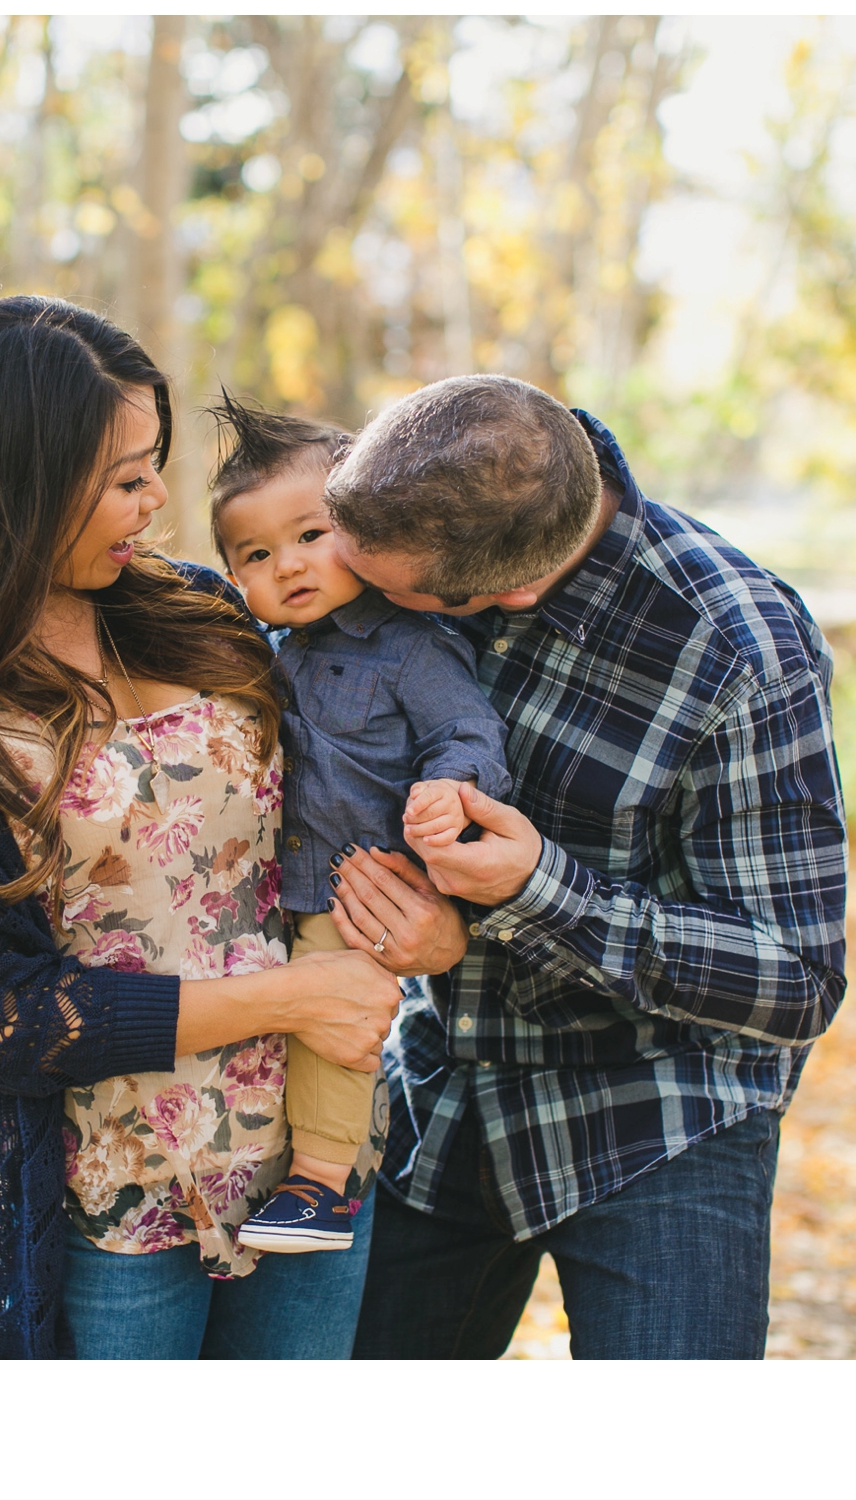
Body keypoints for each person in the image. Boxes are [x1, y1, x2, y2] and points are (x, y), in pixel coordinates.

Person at [0, 297, 401, 1359]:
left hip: (313, 1158)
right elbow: (0, 1018)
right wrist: (290, 995)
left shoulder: (205, 610)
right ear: (15, 485)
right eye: (125, 478)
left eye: (153, 465)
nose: (156, 499)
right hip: (117, 1194)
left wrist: (426, 928)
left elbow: (352, 789)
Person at [317, 375, 849, 1359]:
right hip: (444, 1088)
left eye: (386, 601)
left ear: (500, 596)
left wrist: (533, 892)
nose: (351, 608)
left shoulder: (739, 651)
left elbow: (796, 980)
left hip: (654, 1114)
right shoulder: (446, 489)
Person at [203, 396, 511, 1254]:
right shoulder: (261, 648)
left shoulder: (410, 645)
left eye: (310, 535)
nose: (290, 566)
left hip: (361, 887)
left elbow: (469, 733)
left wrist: (451, 792)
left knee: (333, 1024)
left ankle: (321, 1186)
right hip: (268, 890)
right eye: (257, 554)